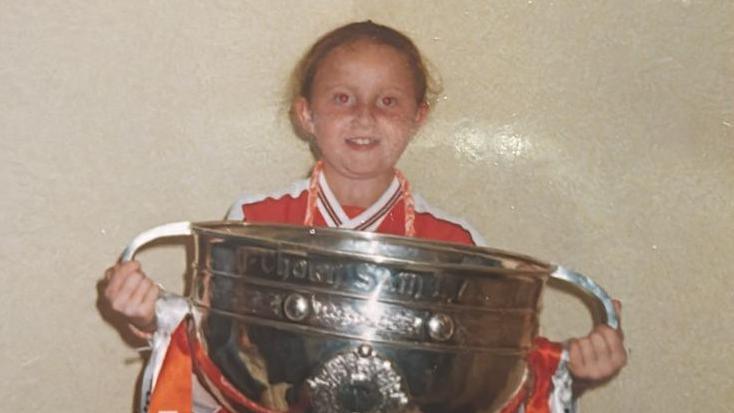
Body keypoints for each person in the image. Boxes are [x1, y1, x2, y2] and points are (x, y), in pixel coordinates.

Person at [102, 21, 626, 413]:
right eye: (343, 98)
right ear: (307, 114)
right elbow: (213, 357)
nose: (364, 116)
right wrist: (150, 317)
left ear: (418, 117)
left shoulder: (458, 245)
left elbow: (479, 380)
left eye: (389, 101)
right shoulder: (255, 222)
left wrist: (569, 371)